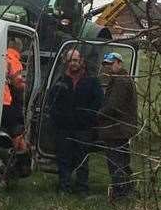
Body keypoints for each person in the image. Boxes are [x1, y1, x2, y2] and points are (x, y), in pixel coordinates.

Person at [47, 49, 102, 194]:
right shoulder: (60, 80)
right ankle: (64, 187)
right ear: (67, 62)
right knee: (63, 158)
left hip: (83, 128)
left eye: (76, 60)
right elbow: (51, 102)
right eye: (71, 60)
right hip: (64, 128)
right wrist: (58, 118)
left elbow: (98, 102)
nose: (73, 63)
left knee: (82, 159)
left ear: (82, 61)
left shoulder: (91, 80)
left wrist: (88, 118)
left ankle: (82, 188)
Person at [97, 52, 138, 200]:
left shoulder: (120, 81)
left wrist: (97, 114)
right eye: (106, 65)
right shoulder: (122, 79)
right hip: (122, 129)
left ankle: (120, 193)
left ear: (119, 63)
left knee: (116, 162)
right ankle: (127, 190)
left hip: (117, 129)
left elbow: (113, 106)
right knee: (122, 160)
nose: (108, 68)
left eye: (111, 64)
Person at [0, 38, 28, 149]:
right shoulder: (14, 60)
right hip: (6, 101)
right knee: (16, 128)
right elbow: (18, 82)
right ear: (19, 48)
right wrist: (26, 86)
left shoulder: (3, 55)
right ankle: (18, 154)